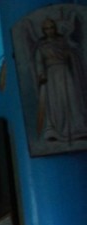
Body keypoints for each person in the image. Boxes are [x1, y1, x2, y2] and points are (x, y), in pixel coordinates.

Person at [33, 16, 87, 144]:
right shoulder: (42, 46)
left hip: (64, 72)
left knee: (71, 98)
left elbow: (72, 54)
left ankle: (77, 128)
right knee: (55, 101)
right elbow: (39, 61)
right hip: (51, 75)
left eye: (52, 28)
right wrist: (41, 74)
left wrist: (69, 53)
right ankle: (55, 130)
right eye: (47, 28)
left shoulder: (62, 41)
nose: (49, 30)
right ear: (44, 30)